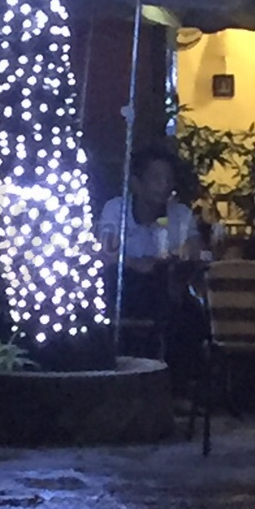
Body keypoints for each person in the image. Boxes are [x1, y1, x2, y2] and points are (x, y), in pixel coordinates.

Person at [97, 145, 208, 373]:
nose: (164, 185)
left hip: (170, 288)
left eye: (168, 178)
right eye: (156, 178)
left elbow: (195, 252)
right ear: (136, 183)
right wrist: (139, 264)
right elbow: (107, 255)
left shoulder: (181, 214)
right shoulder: (116, 210)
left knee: (192, 314)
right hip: (126, 290)